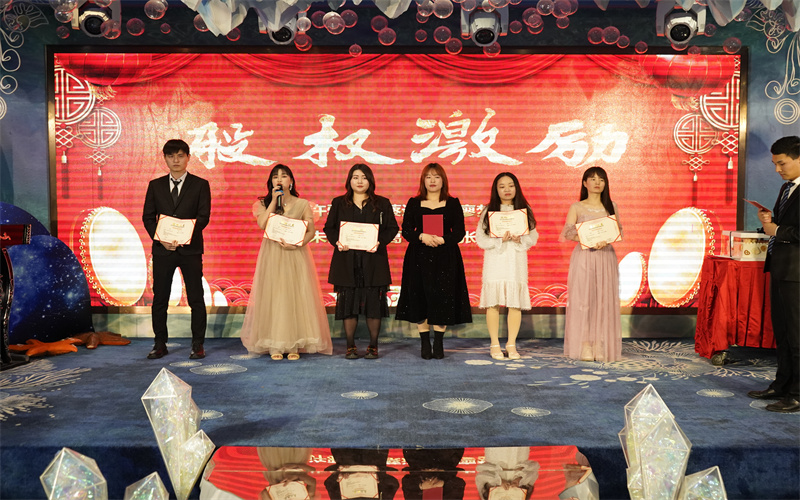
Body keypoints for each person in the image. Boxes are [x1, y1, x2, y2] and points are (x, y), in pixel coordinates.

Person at [239, 164, 332, 360]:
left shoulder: (302, 204)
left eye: (284, 176)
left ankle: (293, 344)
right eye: (275, 176)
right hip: (272, 254)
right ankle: (274, 344)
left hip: (295, 254)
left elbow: (311, 231)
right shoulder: (263, 204)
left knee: (294, 296)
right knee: (274, 295)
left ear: (291, 181)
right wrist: (274, 201)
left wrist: (298, 244)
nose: (279, 179)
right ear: (271, 182)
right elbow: (262, 224)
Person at [142, 139, 211, 360]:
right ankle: (159, 343)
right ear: (165, 158)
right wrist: (161, 239)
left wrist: (184, 236)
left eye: (180, 156)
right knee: (160, 299)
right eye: (171, 156)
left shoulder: (200, 185)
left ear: (188, 158)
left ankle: (198, 344)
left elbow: (203, 217)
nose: (176, 160)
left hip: (190, 251)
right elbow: (148, 217)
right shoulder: (155, 185)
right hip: (163, 250)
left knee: (196, 298)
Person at [395, 163, 472, 359]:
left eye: (437, 177)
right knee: (419, 296)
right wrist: (422, 236)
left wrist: (443, 239)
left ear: (443, 180)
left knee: (442, 297)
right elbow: (406, 230)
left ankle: (438, 342)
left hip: (445, 257)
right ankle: (424, 342)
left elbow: (460, 232)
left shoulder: (452, 203)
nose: (432, 181)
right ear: (423, 180)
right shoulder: (414, 203)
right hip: (418, 256)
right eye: (428, 177)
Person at [324, 164, 399, 359]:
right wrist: (337, 242)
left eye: (364, 177)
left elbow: (392, 228)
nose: (359, 181)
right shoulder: (339, 203)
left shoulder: (382, 203)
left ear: (370, 180)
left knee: (373, 305)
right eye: (355, 177)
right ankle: (350, 346)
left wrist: (379, 242)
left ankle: (373, 346)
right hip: (347, 261)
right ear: (349, 180)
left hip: (374, 261)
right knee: (349, 305)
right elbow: (329, 228)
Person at [749, 136, 800, 413]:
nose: (778, 169)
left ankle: (797, 394)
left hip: (797, 273)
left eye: (782, 163)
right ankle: (782, 385)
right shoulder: (786, 187)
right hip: (781, 267)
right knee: (782, 332)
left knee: (797, 335)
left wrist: (777, 230)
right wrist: (770, 223)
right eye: (774, 164)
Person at [559, 166, 622, 363]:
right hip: (585, 256)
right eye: (593, 179)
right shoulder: (577, 207)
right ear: (584, 183)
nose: (597, 183)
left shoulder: (611, 206)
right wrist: (587, 239)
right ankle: (585, 344)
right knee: (584, 301)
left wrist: (606, 240)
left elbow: (617, 231)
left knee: (603, 300)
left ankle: (600, 343)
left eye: (601, 179)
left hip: (605, 257)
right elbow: (568, 233)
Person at [476, 172, 538, 360]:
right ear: (496, 190)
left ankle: (511, 344)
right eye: (502, 186)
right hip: (495, 261)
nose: (507, 190)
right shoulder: (489, 211)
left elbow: (533, 236)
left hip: (516, 261)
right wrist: (498, 240)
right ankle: (494, 344)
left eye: (510, 185)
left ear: (516, 187)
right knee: (493, 303)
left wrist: (520, 239)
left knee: (514, 303)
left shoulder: (524, 210)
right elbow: (480, 239)